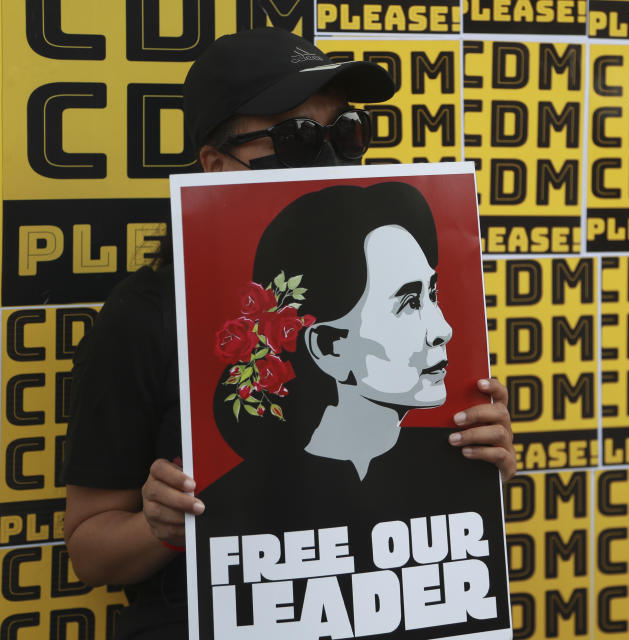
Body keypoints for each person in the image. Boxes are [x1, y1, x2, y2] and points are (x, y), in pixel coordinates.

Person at [61, 27, 515, 640]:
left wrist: (477, 465)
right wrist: (159, 526)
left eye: (346, 131)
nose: (330, 156)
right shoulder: (143, 315)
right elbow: (89, 550)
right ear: (216, 164)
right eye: (296, 136)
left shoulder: (416, 390)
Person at [193, 183, 511, 638]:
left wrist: (487, 478)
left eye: (433, 293)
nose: (442, 328)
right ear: (329, 348)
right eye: (407, 302)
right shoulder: (231, 500)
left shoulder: (453, 458)